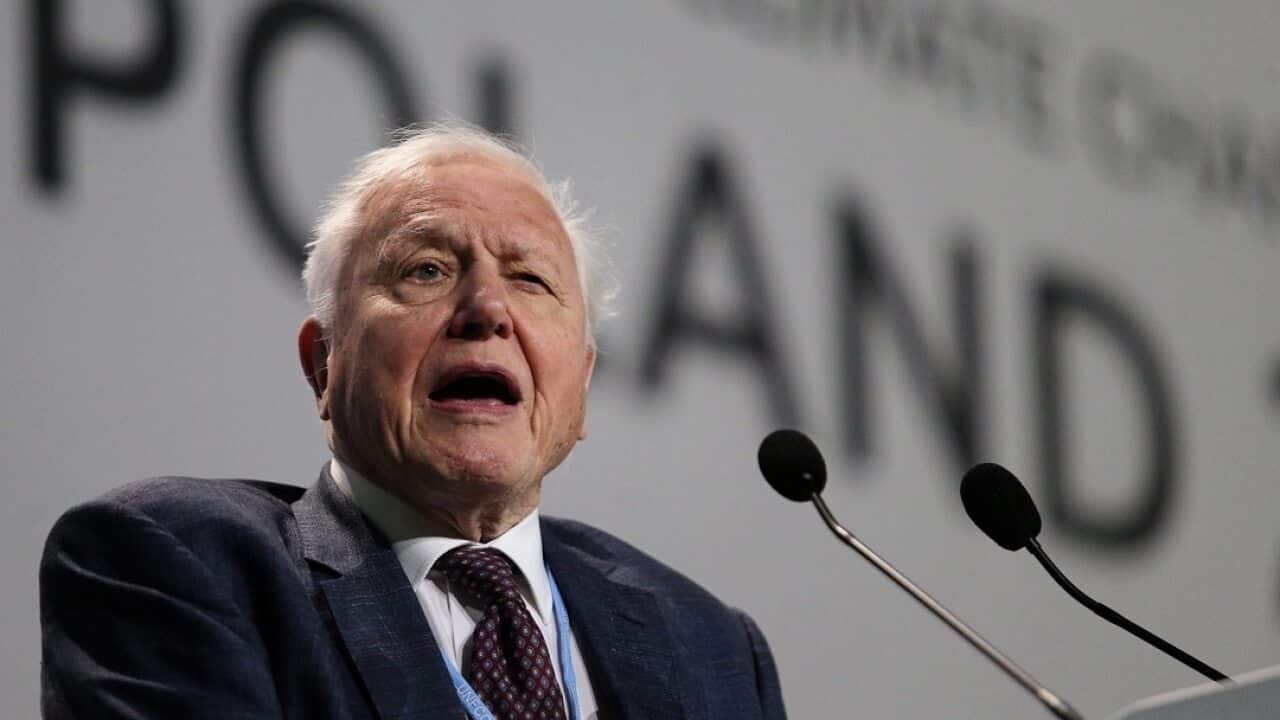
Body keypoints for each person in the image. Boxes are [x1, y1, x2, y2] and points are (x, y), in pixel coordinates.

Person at [40, 124, 787, 720]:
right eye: (426, 269)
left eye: (529, 279)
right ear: (323, 364)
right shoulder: (182, 563)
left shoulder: (706, 642)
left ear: (581, 385)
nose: (488, 311)